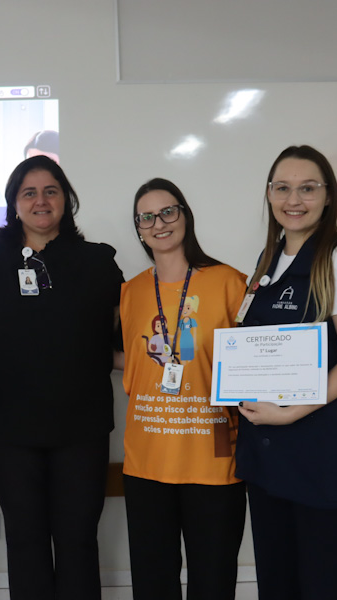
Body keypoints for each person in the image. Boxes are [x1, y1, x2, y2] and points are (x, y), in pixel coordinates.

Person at [0, 155, 124, 599]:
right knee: (25, 538)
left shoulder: (98, 261)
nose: (41, 201)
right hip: (9, 425)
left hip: (82, 425)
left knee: (78, 539)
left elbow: (123, 340)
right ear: (14, 203)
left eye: (51, 191)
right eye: (28, 193)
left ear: (66, 199)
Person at [237, 146, 337, 600]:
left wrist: (289, 412)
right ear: (269, 194)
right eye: (282, 188)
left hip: (322, 456)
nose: (293, 200)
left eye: (307, 188)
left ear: (328, 195)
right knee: (277, 583)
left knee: (320, 585)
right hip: (270, 457)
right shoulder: (268, 261)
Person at [119, 178, 247, 600]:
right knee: (152, 582)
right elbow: (131, 361)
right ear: (139, 229)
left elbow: (251, 365)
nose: (159, 223)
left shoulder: (230, 283)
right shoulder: (132, 292)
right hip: (147, 459)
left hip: (213, 456)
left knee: (213, 581)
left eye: (168, 212)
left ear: (185, 216)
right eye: (146, 217)